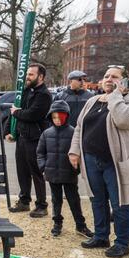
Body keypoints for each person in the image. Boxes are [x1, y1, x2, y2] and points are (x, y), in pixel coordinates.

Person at [68, 65, 129, 258]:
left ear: (124, 81)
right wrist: (74, 151)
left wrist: (116, 95)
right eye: (106, 76)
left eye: (114, 77)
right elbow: (80, 127)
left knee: (120, 202)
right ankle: (101, 236)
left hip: (116, 162)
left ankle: (122, 242)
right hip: (90, 159)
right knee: (97, 200)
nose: (109, 79)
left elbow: (125, 120)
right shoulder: (92, 101)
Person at [37, 100, 94, 238]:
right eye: (54, 117)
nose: (57, 120)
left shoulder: (74, 133)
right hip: (52, 174)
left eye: (60, 117)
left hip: (69, 174)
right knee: (56, 200)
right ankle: (57, 224)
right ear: (51, 117)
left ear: (66, 116)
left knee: (74, 200)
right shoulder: (46, 133)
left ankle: (80, 225)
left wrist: (76, 170)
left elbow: (80, 152)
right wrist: (43, 167)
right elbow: (40, 153)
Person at [3, 63, 52, 217]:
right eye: (27, 74)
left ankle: (42, 205)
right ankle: (24, 201)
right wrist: (8, 131)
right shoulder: (24, 91)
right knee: (22, 171)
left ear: (41, 77)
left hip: (36, 139)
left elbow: (33, 115)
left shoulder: (44, 95)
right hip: (22, 138)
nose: (27, 77)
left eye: (31, 74)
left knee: (36, 172)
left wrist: (17, 112)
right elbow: (13, 110)